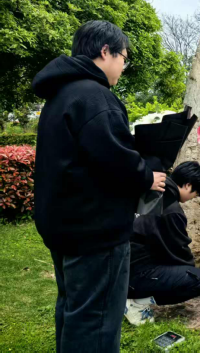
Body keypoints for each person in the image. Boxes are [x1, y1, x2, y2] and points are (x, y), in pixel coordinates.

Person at [32, 21, 167, 353]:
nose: (123, 66)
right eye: (124, 58)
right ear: (105, 51)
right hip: (95, 232)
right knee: (97, 320)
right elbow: (115, 160)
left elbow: (87, 156)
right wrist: (148, 176)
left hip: (64, 226)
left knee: (74, 309)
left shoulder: (61, 95)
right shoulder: (95, 97)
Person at [125, 161, 200, 326]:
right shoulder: (172, 209)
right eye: (196, 194)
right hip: (135, 275)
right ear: (188, 185)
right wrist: (188, 270)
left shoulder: (151, 192)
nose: (193, 198)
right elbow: (178, 249)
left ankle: (129, 295)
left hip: (120, 267)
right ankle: (136, 302)